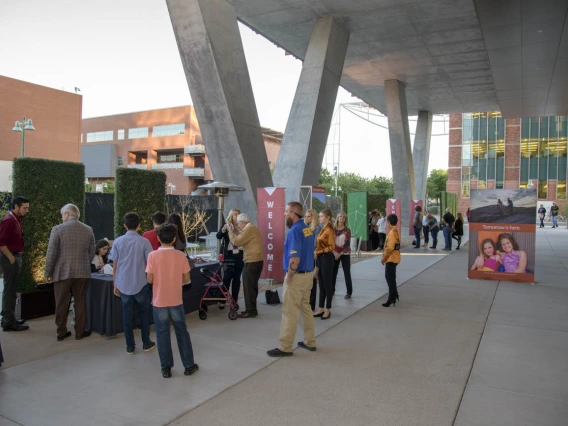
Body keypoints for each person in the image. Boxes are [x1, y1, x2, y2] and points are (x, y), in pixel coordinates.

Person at [146, 224, 199, 378]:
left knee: (162, 334)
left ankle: (166, 368)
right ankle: (189, 365)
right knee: (182, 332)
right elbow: (187, 278)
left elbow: (149, 279)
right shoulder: (181, 256)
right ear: (174, 239)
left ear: (158, 238)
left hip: (159, 301)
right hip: (176, 300)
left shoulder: (152, 256)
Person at [267, 202, 316, 357]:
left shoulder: (294, 231)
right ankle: (310, 341)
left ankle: (285, 346)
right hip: (308, 275)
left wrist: (289, 276)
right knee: (305, 309)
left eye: (286, 211)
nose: (284, 214)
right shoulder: (307, 229)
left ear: (293, 213)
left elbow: (294, 257)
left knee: (289, 311)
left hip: (297, 277)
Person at [45, 204, 95, 341]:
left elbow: (51, 254)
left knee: (61, 303)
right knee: (80, 302)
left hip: (62, 273)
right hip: (82, 272)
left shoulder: (57, 229)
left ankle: (61, 332)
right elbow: (91, 253)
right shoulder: (88, 229)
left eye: (62, 215)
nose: (62, 218)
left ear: (67, 214)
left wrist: (48, 272)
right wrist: (84, 264)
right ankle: (80, 332)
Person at [109, 212, 156, 354]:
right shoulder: (144, 242)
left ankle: (130, 345)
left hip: (123, 283)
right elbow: (151, 263)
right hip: (140, 282)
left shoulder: (117, 241)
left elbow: (115, 266)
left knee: (126, 315)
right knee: (144, 314)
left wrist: (115, 284)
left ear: (124, 225)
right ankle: (146, 342)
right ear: (139, 225)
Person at [0, 196, 30, 331]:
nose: (27, 210)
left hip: (15, 255)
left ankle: (9, 318)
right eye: (24, 208)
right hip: (10, 257)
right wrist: (11, 257)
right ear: (16, 207)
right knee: (10, 289)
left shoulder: (17, 219)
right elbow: (0, 241)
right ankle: (8, 321)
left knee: (11, 289)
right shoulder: (8, 220)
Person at [229, 213, 263, 318]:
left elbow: (236, 241)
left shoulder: (248, 229)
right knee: (252, 286)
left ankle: (250, 311)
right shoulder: (252, 228)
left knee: (248, 286)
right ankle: (251, 309)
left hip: (252, 261)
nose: (238, 225)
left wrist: (230, 231)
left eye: (239, 223)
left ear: (243, 222)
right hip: (257, 260)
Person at [216, 209, 243, 310]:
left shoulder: (243, 226)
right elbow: (218, 236)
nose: (237, 216)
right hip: (229, 255)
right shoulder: (227, 225)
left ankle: (234, 301)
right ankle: (222, 300)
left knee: (237, 279)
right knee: (227, 278)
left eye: (238, 214)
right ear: (231, 216)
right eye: (235, 214)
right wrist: (223, 230)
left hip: (240, 255)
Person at [313, 209, 335, 320]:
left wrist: (318, 252)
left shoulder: (329, 230)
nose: (320, 218)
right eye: (319, 216)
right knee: (321, 284)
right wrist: (317, 252)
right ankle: (321, 308)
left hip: (327, 258)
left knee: (327, 285)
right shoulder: (323, 229)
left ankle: (328, 309)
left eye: (321, 216)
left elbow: (331, 247)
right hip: (321, 258)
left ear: (328, 218)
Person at [332, 212, 353, 299]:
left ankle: (349, 292)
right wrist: (335, 253)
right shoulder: (333, 229)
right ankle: (331, 290)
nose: (342, 218)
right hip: (334, 253)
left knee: (347, 273)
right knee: (333, 272)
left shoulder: (347, 230)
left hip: (344, 254)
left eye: (344, 217)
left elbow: (347, 244)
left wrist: (340, 253)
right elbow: (331, 242)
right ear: (337, 218)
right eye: (340, 216)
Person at [381, 214, 401, 307]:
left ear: (389, 222)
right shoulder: (395, 230)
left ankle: (391, 298)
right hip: (394, 258)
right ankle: (395, 294)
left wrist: (383, 258)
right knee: (392, 278)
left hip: (391, 258)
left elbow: (389, 248)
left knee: (389, 278)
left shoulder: (392, 232)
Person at [304, 209, 321, 311]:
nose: (306, 218)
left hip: (313, 256)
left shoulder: (317, 228)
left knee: (313, 280)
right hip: (306, 256)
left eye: (309, 216)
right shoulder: (306, 227)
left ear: (313, 217)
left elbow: (315, 244)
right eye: (306, 216)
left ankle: (311, 304)